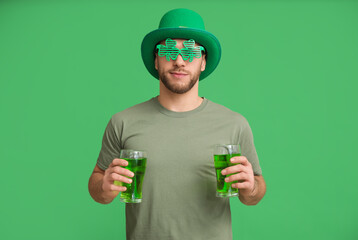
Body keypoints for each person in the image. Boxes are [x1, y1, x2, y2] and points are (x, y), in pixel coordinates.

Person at [88, 8, 266, 240]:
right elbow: (97, 182)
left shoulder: (234, 124)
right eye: (169, 50)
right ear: (155, 60)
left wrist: (251, 187)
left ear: (203, 61)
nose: (179, 61)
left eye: (191, 51)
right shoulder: (123, 122)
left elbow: (256, 190)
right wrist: (104, 187)